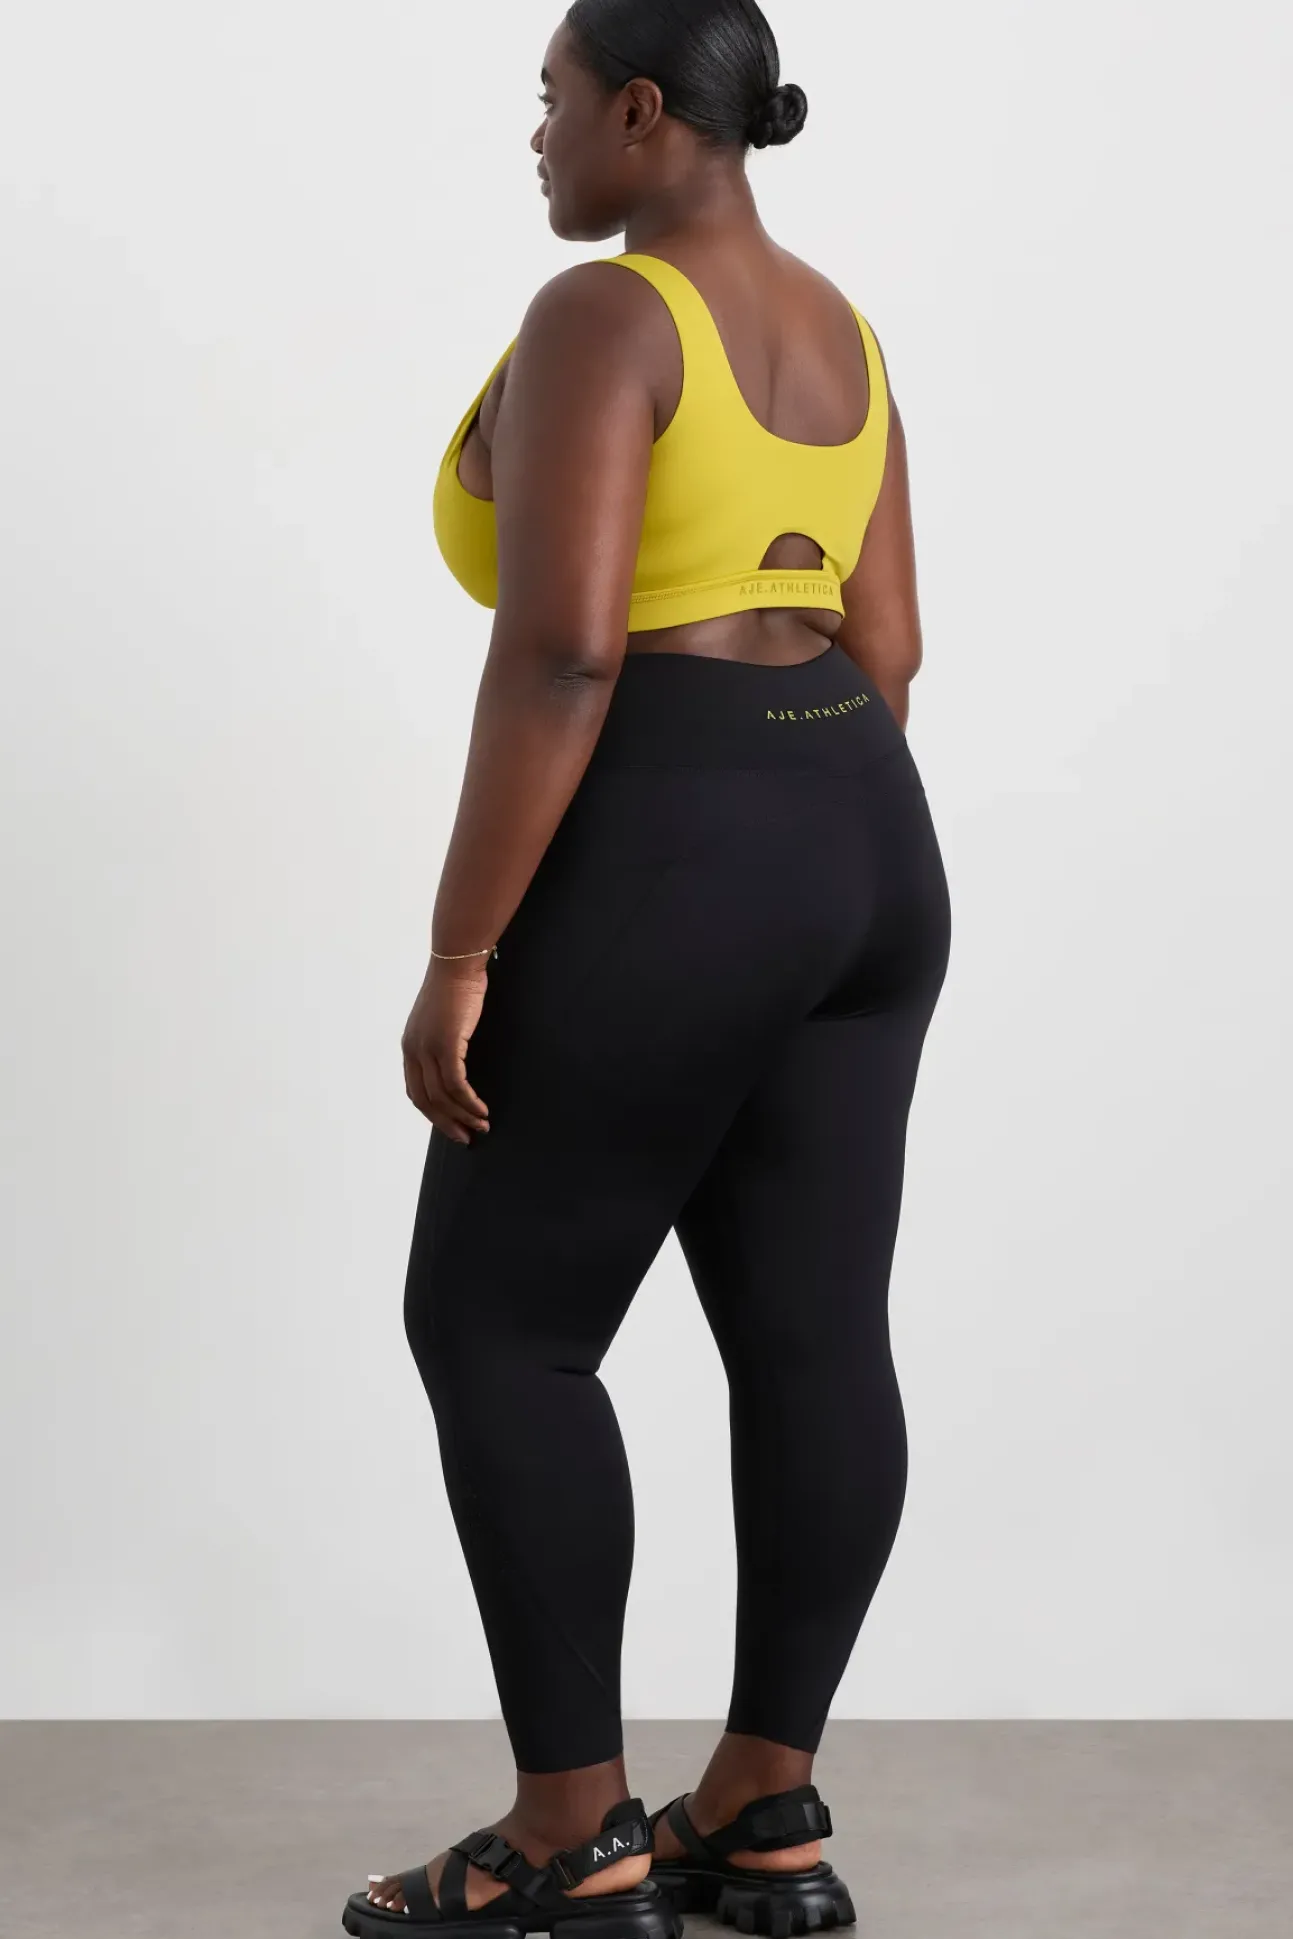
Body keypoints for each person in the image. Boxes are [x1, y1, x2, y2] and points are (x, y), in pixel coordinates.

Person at [345, 4, 951, 1936]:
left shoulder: (608, 317)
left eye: (548, 100)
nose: (533, 136)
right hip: (863, 830)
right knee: (814, 1331)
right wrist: (798, 853)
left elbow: (566, 651)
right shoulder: (844, 331)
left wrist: (465, 948)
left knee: (499, 1327)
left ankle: (568, 1835)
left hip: (676, 823)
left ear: (635, 110)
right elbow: (890, 641)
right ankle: (765, 1809)